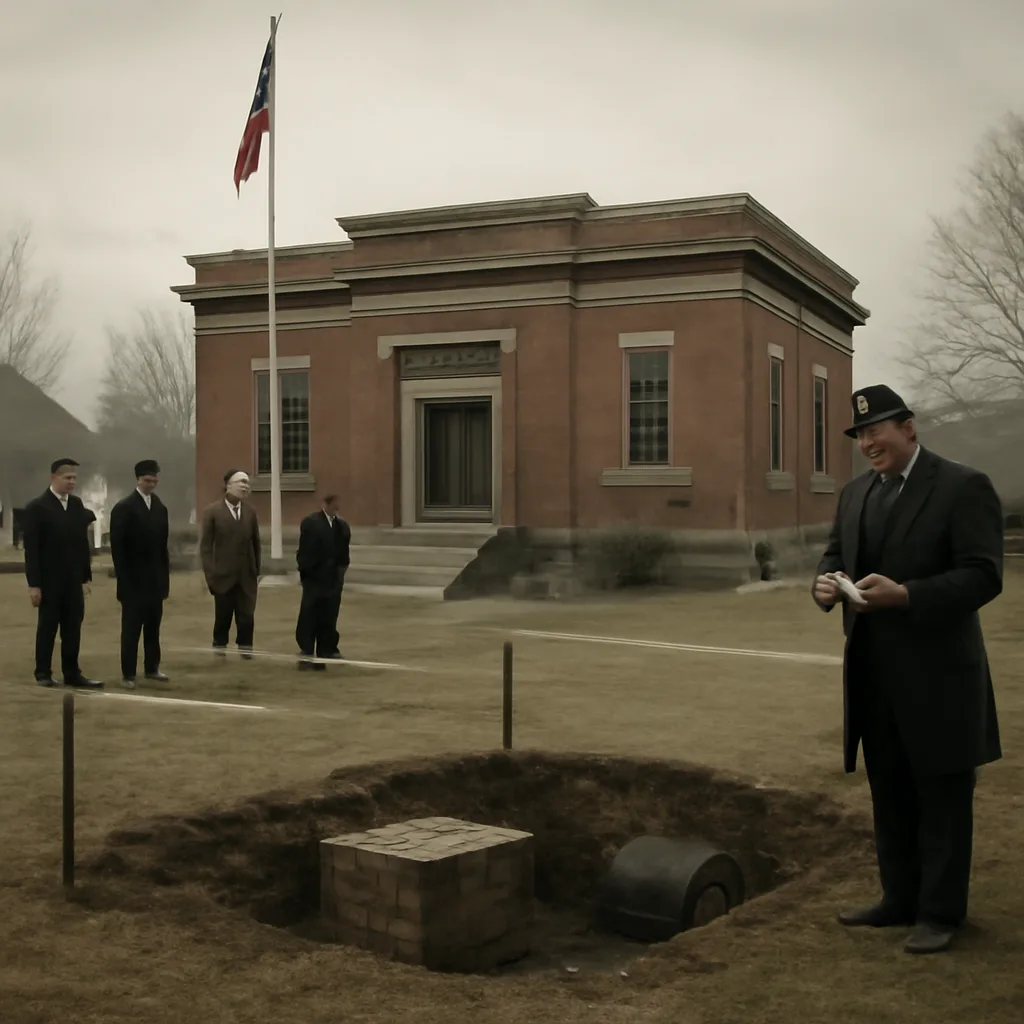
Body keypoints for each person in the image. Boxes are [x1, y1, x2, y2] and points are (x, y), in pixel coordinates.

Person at [813, 384, 1003, 956]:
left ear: (910, 428)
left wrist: (909, 596)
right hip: (873, 674)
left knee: (942, 794)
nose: (868, 442)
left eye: (878, 429)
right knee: (890, 790)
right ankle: (899, 898)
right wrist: (824, 585)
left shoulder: (962, 486)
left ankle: (941, 913)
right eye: (861, 434)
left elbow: (982, 574)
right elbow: (834, 558)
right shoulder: (854, 495)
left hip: (940, 677)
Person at [22, 458, 103, 689]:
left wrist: (85, 578)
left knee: (72, 628)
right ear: (53, 478)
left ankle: (72, 673)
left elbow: (81, 545)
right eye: (67, 478)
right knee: (48, 627)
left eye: (74, 478)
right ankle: (43, 672)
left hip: (72, 581)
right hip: (49, 581)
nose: (72, 482)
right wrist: (34, 584)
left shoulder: (76, 505)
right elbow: (32, 551)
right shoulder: (37, 508)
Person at [109, 459, 170, 689]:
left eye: (154, 480)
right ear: (138, 480)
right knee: (132, 629)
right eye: (147, 480)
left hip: (154, 581)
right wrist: (124, 582)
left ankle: (152, 668)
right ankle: (128, 673)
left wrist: (164, 580)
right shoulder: (124, 508)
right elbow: (119, 549)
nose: (151, 484)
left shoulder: (160, 508)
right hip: (134, 582)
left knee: (153, 628)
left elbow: (163, 546)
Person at [199, 469, 261, 657]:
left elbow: (255, 543)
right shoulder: (212, 512)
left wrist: (255, 571)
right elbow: (206, 547)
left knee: (247, 615)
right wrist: (211, 575)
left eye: (247, 483)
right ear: (229, 485)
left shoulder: (250, 512)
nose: (245, 486)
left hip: (246, 575)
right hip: (222, 575)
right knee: (223, 614)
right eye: (241, 482)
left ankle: (246, 647)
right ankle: (219, 645)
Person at [295, 494, 351, 670]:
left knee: (329, 616)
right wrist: (307, 576)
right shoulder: (311, 523)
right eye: (334, 505)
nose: (337, 509)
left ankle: (326, 650)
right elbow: (304, 553)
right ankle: (306, 652)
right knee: (310, 616)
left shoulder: (342, 526)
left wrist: (340, 574)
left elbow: (344, 554)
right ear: (325, 504)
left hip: (333, 580)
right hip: (314, 579)